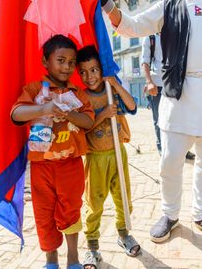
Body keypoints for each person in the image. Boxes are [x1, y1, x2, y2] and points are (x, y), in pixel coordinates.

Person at [97, 0, 202, 243]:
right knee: (170, 162)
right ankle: (169, 213)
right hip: (178, 97)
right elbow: (131, 25)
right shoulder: (167, 5)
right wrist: (107, 2)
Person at [11, 34, 95, 269]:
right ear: (45, 62)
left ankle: (73, 258)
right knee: (43, 213)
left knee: (71, 209)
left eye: (71, 62)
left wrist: (68, 113)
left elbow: (88, 122)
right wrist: (44, 108)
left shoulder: (77, 95)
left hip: (71, 165)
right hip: (41, 167)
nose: (67, 67)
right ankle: (51, 259)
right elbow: (16, 114)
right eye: (61, 60)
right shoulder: (34, 89)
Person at [76, 46, 140, 269]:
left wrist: (114, 84)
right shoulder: (81, 97)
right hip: (95, 158)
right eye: (83, 72)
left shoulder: (110, 90)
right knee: (94, 204)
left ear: (101, 69)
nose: (89, 76)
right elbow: (82, 128)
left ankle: (124, 234)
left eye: (94, 70)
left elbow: (132, 106)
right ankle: (92, 247)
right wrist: (102, 114)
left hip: (117, 153)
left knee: (123, 196)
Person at [141, 34, 195, 160]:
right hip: (157, 84)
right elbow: (145, 61)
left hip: (176, 83)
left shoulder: (176, 32)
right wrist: (149, 82)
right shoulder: (150, 38)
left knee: (180, 117)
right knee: (159, 119)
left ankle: (183, 150)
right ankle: (163, 149)